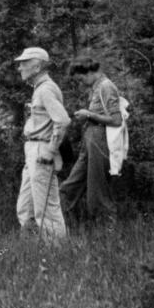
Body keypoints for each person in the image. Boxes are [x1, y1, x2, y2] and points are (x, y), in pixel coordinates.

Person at [13, 47, 70, 241]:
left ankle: (57, 253)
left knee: (46, 208)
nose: (20, 67)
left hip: (42, 150)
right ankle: (33, 249)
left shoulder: (46, 89)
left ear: (37, 66)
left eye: (24, 63)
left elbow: (62, 121)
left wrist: (51, 150)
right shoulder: (39, 88)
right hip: (33, 150)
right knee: (25, 206)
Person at [60, 57, 123, 226]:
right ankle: (62, 229)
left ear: (88, 72)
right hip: (89, 144)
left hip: (100, 143)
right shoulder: (96, 88)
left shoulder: (106, 87)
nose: (81, 83)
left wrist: (89, 114)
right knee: (69, 188)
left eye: (81, 79)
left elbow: (117, 120)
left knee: (98, 194)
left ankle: (108, 235)